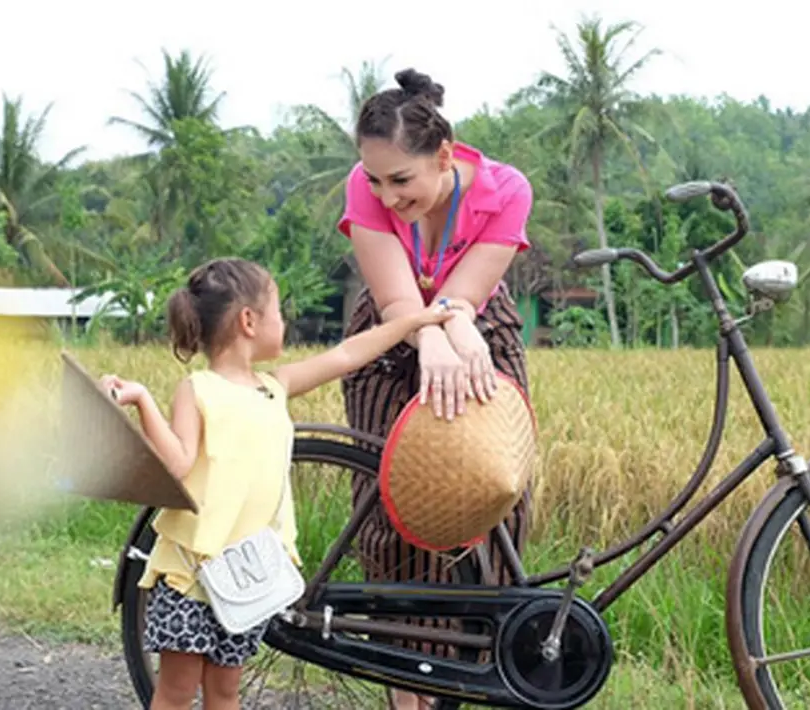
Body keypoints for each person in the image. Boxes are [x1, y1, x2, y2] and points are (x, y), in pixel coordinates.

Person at [97, 257, 453, 710]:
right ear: (249, 321)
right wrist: (144, 402)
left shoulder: (274, 387)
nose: (285, 322)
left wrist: (417, 320)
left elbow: (346, 354)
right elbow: (179, 463)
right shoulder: (198, 389)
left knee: (226, 690)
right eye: (279, 312)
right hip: (193, 574)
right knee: (177, 691)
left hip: (248, 577)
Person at [336, 68, 535, 710]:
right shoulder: (364, 191)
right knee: (391, 509)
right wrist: (432, 337)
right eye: (375, 180)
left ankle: (468, 677)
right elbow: (397, 299)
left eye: (402, 180)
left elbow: (466, 292)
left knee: (494, 491)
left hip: (477, 326)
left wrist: (456, 325)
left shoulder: (506, 191)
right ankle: (405, 693)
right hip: (391, 331)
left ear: (445, 157)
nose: (388, 196)